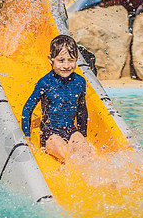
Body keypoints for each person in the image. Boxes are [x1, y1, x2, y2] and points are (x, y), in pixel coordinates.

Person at [21, 35, 93, 164]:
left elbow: (82, 110)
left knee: (87, 153)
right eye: (61, 60)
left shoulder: (80, 82)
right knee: (67, 155)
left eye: (70, 60)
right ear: (51, 59)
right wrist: (27, 138)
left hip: (70, 130)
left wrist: (83, 135)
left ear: (76, 59)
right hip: (50, 134)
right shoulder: (45, 83)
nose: (66, 65)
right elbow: (27, 109)